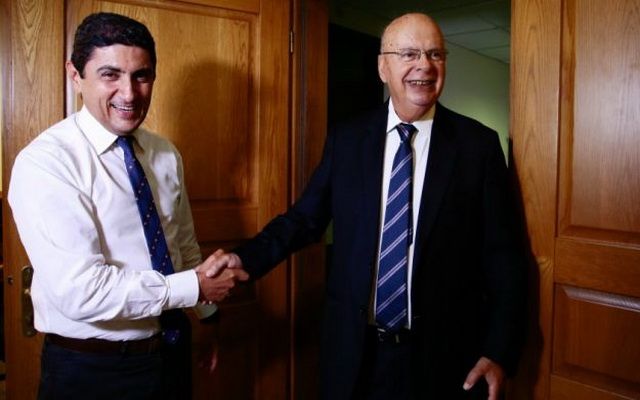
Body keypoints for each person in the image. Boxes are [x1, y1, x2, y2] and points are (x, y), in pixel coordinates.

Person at [201, 12, 527, 400]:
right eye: (409, 54)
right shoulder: (348, 139)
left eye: (435, 54)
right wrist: (245, 259)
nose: (424, 65)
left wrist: (499, 351)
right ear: (382, 67)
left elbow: (504, 258)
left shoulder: (478, 146)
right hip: (355, 355)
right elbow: (304, 219)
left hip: (444, 359)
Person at [8, 12, 247, 400]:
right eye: (110, 75)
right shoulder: (47, 163)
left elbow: (182, 248)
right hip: (91, 370)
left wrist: (207, 317)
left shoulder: (165, 154)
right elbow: (82, 291)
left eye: (141, 76)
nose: (130, 94)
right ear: (75, 75)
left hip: (171, 351)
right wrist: (194, 287)